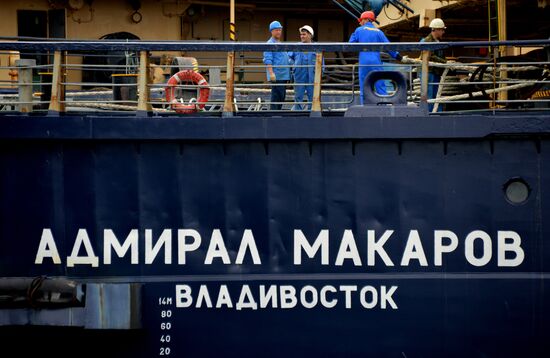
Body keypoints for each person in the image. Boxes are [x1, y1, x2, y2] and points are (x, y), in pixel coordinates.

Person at [349, 11, 401, 104]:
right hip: (376, 62)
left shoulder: (359, 30)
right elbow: (389, 47)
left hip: (364, 63)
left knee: (364, 87)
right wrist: (398, 56)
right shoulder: (379, 32)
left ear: (365, 19)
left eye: (361, 20)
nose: (360, 22)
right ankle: (384, 107)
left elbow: (350, 44)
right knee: (380, 86)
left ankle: (364, 109)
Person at [288, 25, 318, 110]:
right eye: (301, 34)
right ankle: (297, 114)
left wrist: (319, 75)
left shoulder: (316, 47)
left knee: (312, 98)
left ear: (310, 35)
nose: (302, 36)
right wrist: (294, 66)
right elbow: (289, 58)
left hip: (312, 77)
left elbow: (321, 63)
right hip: (299, 76)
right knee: (298, 97)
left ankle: (311, 114)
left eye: (304, 34)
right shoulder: (296, 46)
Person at [420, 18, 447, 112]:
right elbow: (430, 56)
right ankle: (429, 113)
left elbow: (441, 56)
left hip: (435, 72)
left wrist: (445, 63)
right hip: (428, 72)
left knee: (436, 94)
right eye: (442, 30)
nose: (443, 32)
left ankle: (436, 112)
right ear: (436, 30)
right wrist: (445, 63)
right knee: (430, 94)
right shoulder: (427, 41)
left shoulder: (438, 42)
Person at [263, 20, 291, 110]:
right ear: (272, 31)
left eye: (280, 30)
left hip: (283, 75)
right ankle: (274, 114)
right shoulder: (270, 43)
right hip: (277, 75)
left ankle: (276, 113)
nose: (279, 32)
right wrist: (271, 73)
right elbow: (268, 59)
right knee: (276, 96)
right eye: (276, 30)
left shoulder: (279, 43)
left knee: (281, 96)